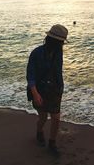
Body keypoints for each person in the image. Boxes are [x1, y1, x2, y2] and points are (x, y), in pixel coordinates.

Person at [26, 24, 68, 156]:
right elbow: (30, 76)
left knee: (56, 118)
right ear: (52, 40)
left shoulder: (58, 52)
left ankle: (52, 143)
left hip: (55, 89)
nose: (61, 45)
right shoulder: (36, 53)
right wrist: (35, 93)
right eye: (60, 42)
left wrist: (60, 87)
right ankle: (39, 131)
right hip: (39, 89)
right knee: (43, 117)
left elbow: (57, 71)